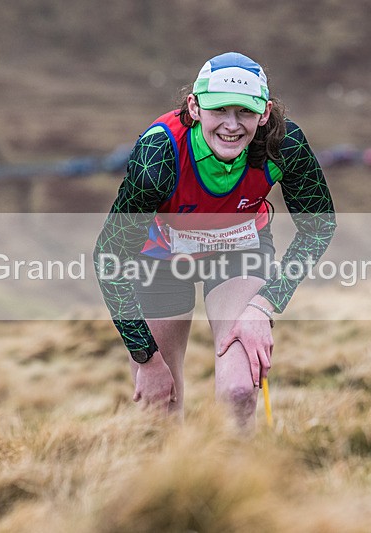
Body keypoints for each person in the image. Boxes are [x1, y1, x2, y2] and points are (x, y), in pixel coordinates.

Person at [93, 51, 336, 431]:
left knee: (239, 391)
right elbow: (109, 256)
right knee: (159, 409)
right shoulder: (159, 155)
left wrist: (264, 305)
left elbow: (319, 226)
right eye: (219, 109)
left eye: (245, 112)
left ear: (265, 113)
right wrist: (146, 359)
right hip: (160, 259)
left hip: (239, 250)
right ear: (194, 107)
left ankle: (243, 468)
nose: (231, 125)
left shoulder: (284, 144)